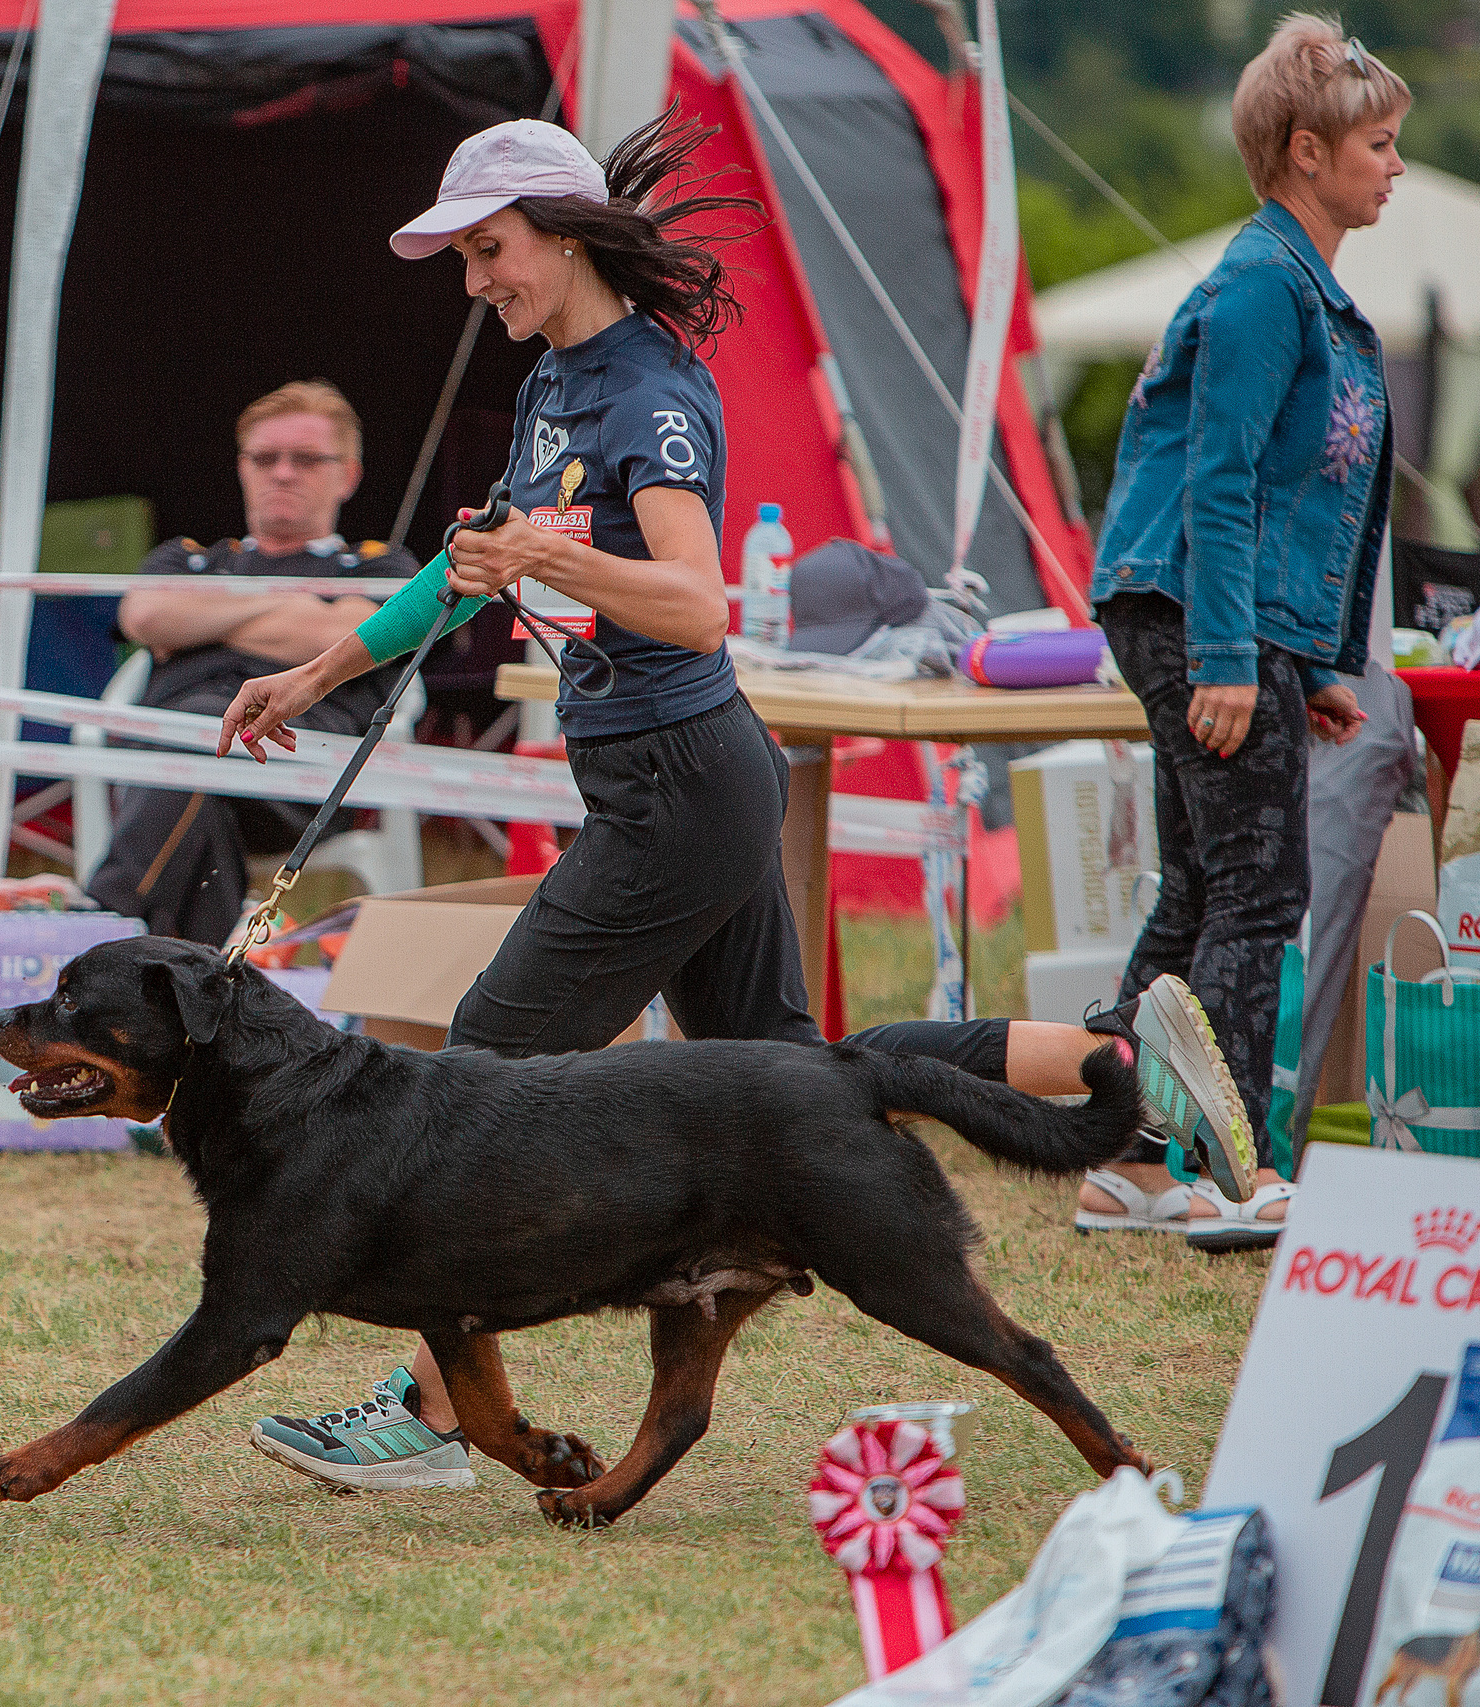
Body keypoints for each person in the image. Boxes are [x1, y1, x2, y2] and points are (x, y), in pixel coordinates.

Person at [212, 114, 1258, 1493]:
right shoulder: (551, 387)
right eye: (463, 257)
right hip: (679, 776)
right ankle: (1114, 1059)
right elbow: (471, 569)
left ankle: (433, 1410)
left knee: (474, 1074)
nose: (474, 283)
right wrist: (319, 670)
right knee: (797, 1076)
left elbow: (700, 605)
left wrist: (552, 558)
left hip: (680, 785)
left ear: (563, 232)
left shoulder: (646, 392)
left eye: (488, 250)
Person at [1079, 15, 1400, 1252]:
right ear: (1306, 152)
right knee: (1262, 891)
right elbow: (1219, 480)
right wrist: (1225, 657)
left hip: (1218, 612)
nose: (1393, 165)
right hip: (1193, 608)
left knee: (1207, 886)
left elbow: (1290, 495)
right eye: (1376, 143)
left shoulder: (1299, 285)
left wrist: (1307, 663)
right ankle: (1224, 1169)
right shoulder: (1269, 286)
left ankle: (1126, 1167)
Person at [85, 381, 420, 944]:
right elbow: (143, 617)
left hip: (299, 767)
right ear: (242, 467)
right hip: (172, 762)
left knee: (194, 740)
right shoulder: (189, 557)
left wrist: (211, 617)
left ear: (349, 474)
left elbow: (350, 635)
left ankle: (106, 918)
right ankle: (194, 978)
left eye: (307, 459)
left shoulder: (379, 565)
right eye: (265, 458)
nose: (282, 473)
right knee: (201, 785)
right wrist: (280, 605)